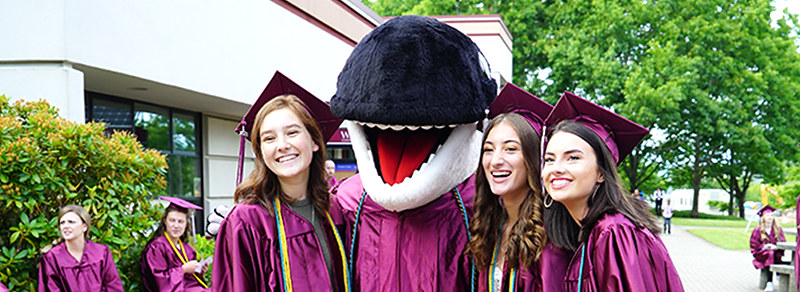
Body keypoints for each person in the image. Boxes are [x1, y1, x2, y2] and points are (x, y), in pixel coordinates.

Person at [213, 72, 347, 291]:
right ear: (261, 152)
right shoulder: (248, 221)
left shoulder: (335, 211)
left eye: (292, 132)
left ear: (315, 141)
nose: (282, 145)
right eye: (269, 138)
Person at [541, 91, 684, 291]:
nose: (556, 168)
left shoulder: (615, 233)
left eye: (573, 158)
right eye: (549, 159)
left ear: (601, 172)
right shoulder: (591, 231)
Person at [466, 83, 557, 291]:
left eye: (510, 149)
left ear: (533, 159)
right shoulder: (490, 227)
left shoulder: (549, 234)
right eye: (489, 150)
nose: (496, 160)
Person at [38, 204, 123, 292]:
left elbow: (113, 286)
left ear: (84, 227)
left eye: (71, 222)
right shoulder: (51, 258)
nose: (65, 226)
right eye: (62, 222)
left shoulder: (101, 253)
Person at [141, 196, 210, 291]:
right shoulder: (156, 248)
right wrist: (183, 269)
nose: (176, 225)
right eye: (172, 220)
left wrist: (199, 270)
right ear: (165, 221)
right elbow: (158, 281)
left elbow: (190, 281)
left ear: (186, 225)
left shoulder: (187, 249)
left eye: (181, 222)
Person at [749, 205, 785, 285]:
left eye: (772, 215)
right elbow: (754, 244)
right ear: (763, 218)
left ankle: (770, 282)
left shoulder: (778, 229)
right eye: (768, 215)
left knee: (772, 254)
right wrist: (765, 247)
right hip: (761, 253)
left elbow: (783, 241)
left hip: (776, 252)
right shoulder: (757, 230)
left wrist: (776, 247)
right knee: (770, 254)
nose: (770, 217)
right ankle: (772, 279)